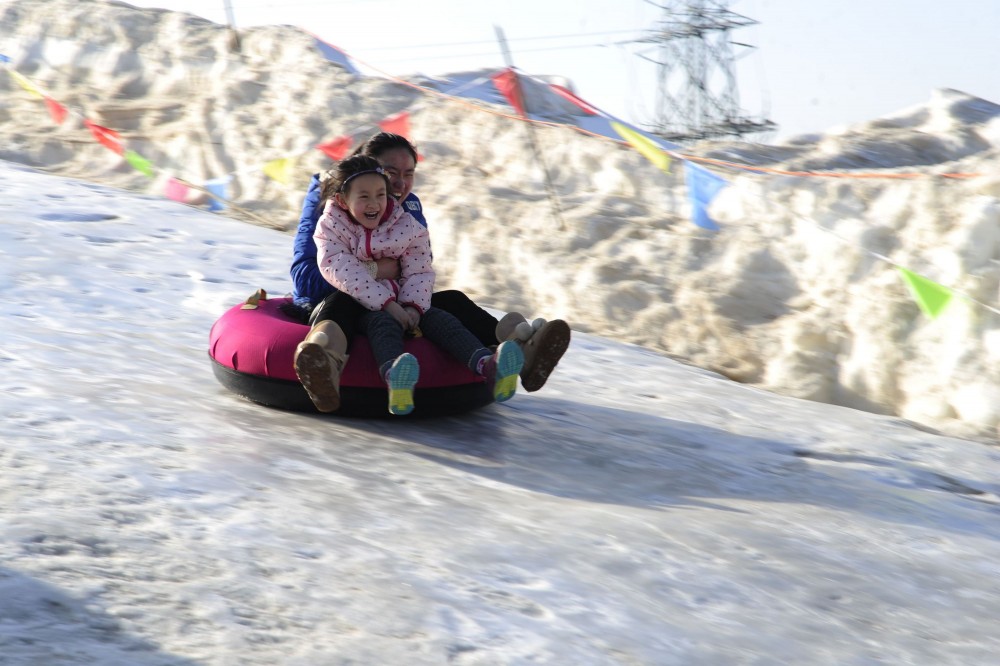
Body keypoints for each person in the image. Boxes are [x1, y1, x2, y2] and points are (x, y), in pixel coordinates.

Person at [288, 132, 570, 409]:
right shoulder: (329, 207)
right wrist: (374, 271)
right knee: (344, 303)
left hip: (394, 299)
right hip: (333, 300)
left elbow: (418, 267)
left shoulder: (406, 209)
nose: (399, 183)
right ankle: (323, 357)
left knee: (452, 301)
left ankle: (518, 349)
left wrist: (408, 304)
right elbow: (305, 277)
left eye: (408, 173)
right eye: (391, 172)